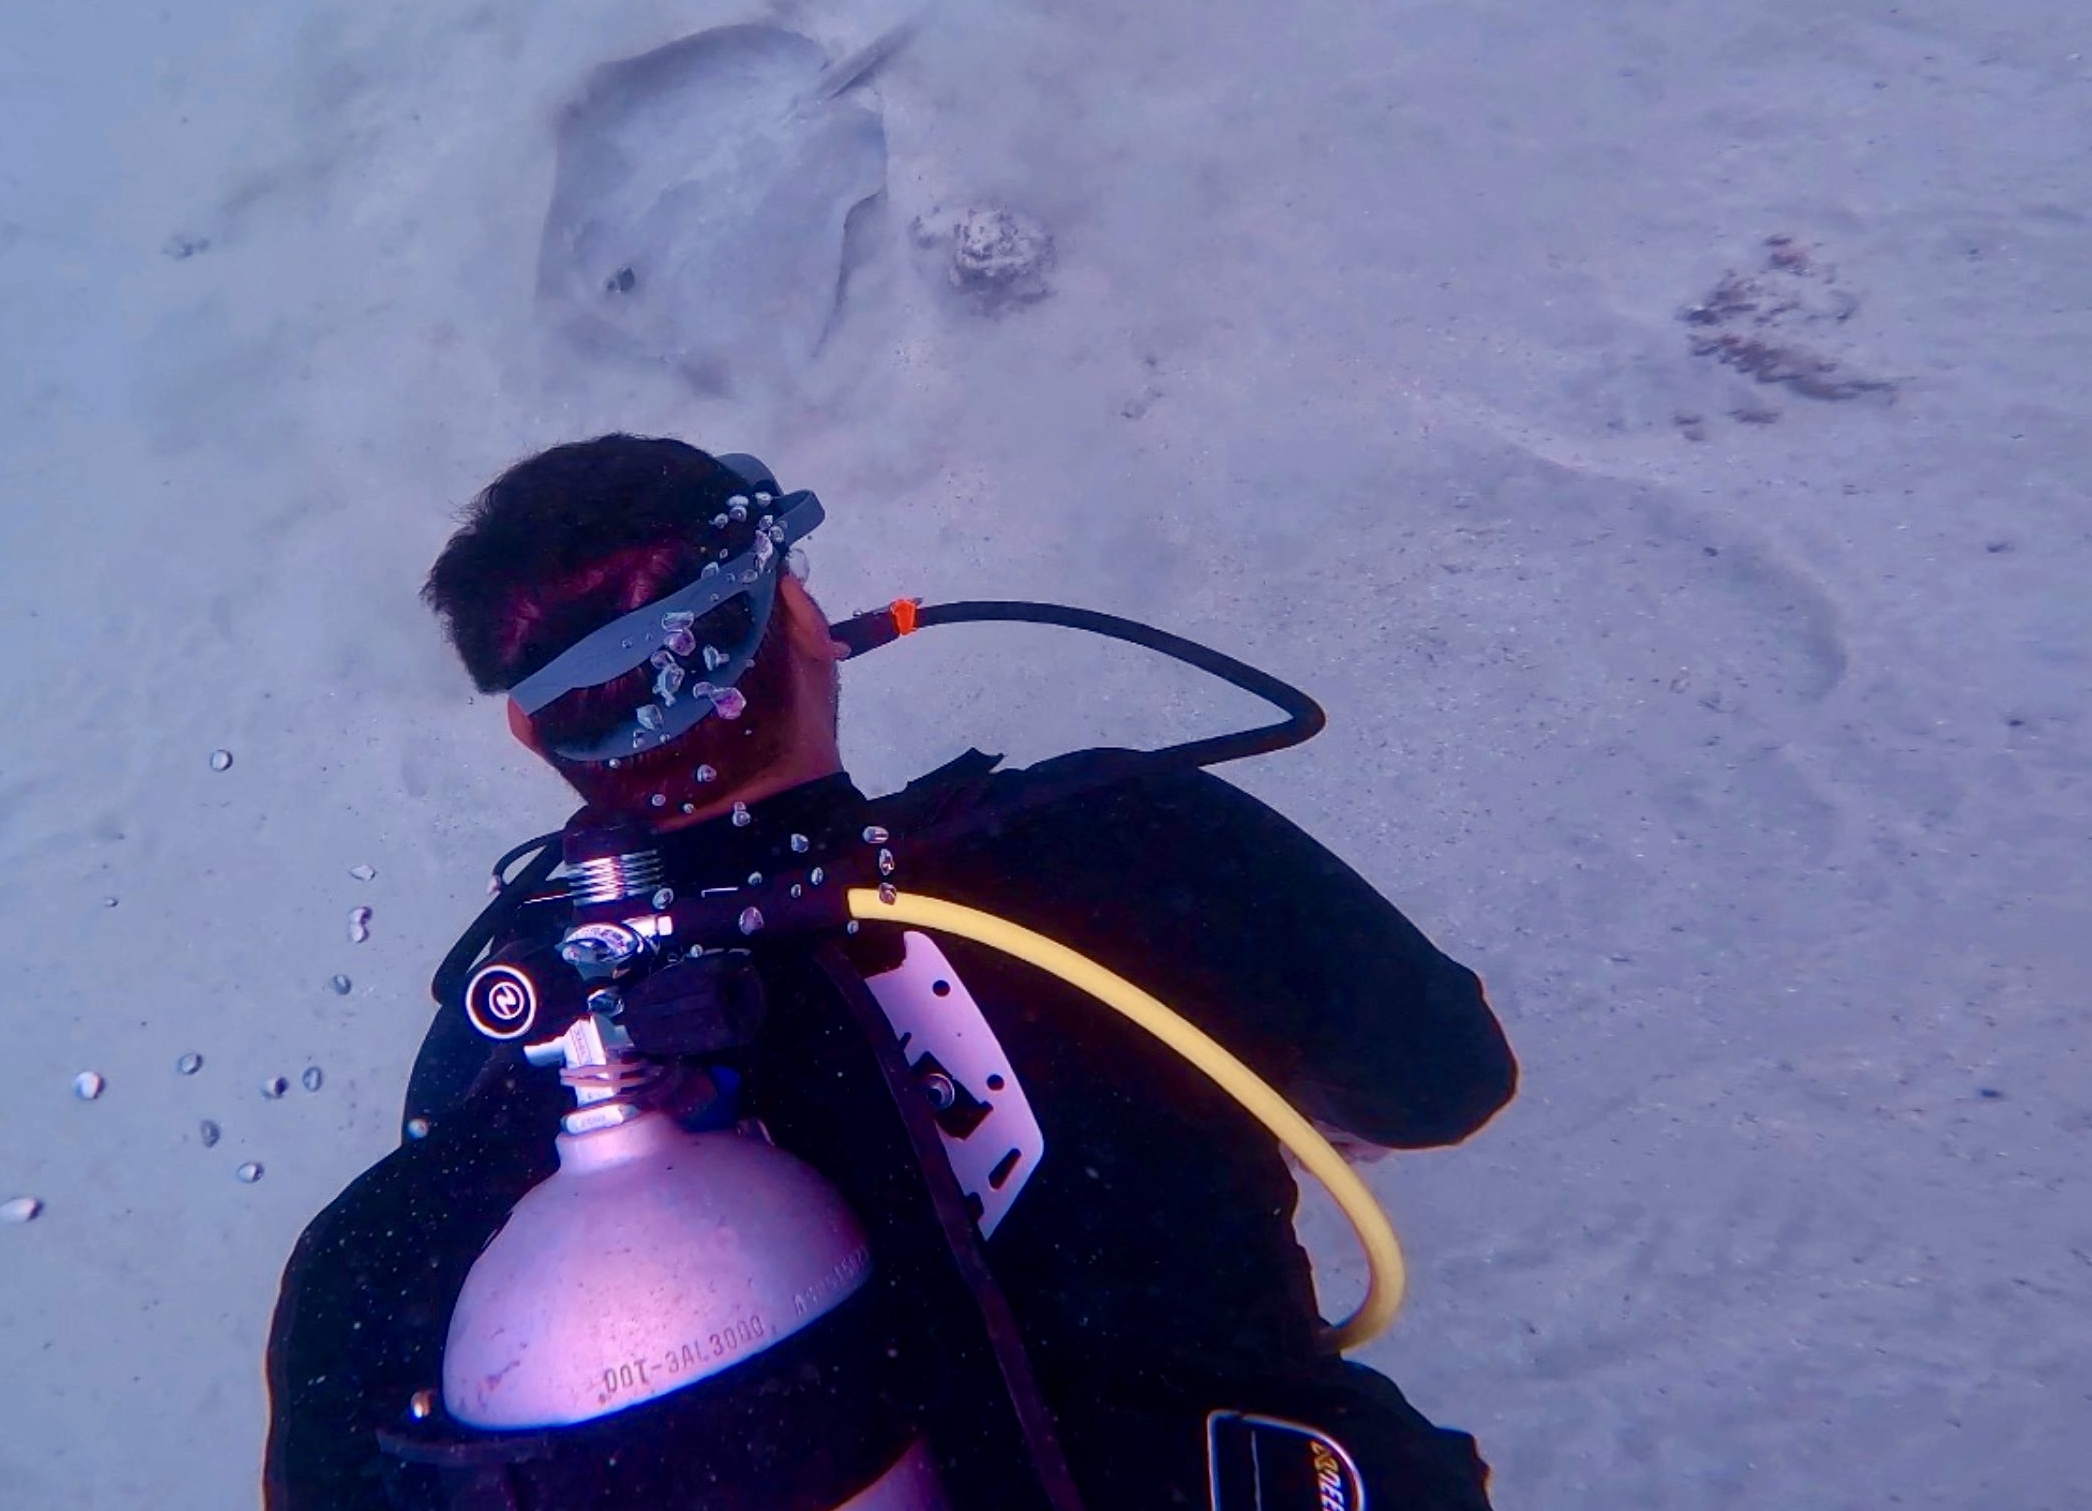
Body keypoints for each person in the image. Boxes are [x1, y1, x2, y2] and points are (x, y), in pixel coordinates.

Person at [265, 436, 1517, 1509]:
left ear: (530, 728)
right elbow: (1444, 1080)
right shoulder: (1120, 842)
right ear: (806, 621)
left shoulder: (505, 1047)